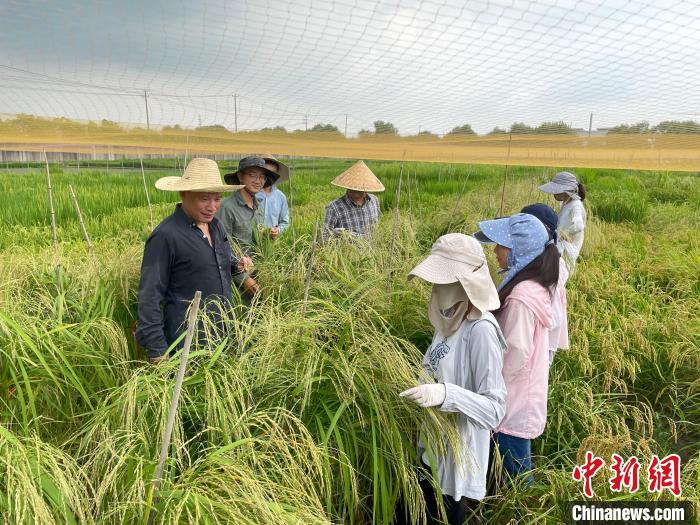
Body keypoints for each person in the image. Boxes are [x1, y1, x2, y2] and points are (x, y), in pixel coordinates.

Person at [398, 234, 506, 524]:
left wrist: (446, 395)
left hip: (459, 470)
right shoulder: (447, 320)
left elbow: (495, 409)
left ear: (465, 283)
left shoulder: (480, 331)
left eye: (443, 281)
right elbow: (434, 364)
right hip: (432, 452)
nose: (436, 288)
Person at [135, 158, 249, 364]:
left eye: (217, 199)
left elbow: (216, 260)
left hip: (222, 331)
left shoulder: (216, 226)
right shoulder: (165, 236)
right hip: (187, 342)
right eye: (205, 199)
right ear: (184, 194)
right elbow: (149, 298)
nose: (212, 207)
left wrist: (235, 265)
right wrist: (158, 351)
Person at [474, 213, 559, 482]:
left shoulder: (521, 296)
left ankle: (530, 512)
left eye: (501, 245)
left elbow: (515, 352)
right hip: (521, 396)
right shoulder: (531, 283)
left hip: (513, 401)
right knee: (511, 468)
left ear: (519, 249)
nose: (496, 251)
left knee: (518, 478)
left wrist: (488, 386)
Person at [217, 156, 279, 298]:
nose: (258, 181)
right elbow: (221, 247)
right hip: (235, 281)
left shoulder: (259, 207)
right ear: (240, 177)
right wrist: (244, 279)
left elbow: (257, 243)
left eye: (262, 177)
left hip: (258, 274)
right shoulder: (227, 208)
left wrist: (268, 235)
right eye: (252, 175)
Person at [521, 204, 570, 366]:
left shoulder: (552, 265)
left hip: (543, 341)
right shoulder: (548, 260)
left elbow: (554, 315)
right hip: (541, 339)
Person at [322, 160, 384, 242]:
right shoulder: (334, 208)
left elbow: (377, 226)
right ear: (348, 186)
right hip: (347, 253)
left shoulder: (374, 201)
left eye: (359, 188)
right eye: (353, 188)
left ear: (366, 188)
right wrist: (339, 233)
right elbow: (324, 237)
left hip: (373, 251)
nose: (355, 191)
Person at [538, 171, 587, 268]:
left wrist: (564, 235)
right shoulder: (565, 203)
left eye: (556, 191)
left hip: (567, 251)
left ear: (565, 191)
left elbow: (579, 226)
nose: (553, 194)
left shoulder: (575, 206)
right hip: (559, 248)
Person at [256, 155, 290, 239]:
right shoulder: (251, 194)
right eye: (266, 172)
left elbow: (285, 222)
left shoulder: (280, 197)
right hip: (252, 243)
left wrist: (277, 230)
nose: (270, 175)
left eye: (273, 172)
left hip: (272, 243)